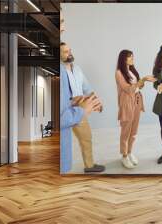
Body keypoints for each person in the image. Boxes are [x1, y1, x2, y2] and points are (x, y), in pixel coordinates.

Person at [60, 42, 105, 173]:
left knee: (86, 137)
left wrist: (97, 102)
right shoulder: (60, 72)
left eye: (69, 50)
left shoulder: (77, 69)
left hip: (80, 108)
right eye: (65, 51)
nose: (69, 53)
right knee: (63, 141)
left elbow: (87, 88)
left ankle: (89, 166)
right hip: (65, 108)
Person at [115, 50, 156, 169]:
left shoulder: (132, 71)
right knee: (126, 131)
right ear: (123, 59)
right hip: (127, 103)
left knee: (134, 131)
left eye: (132, 56)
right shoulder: (119, 73)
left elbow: (139, 87)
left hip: (137, 101)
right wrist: (142, 80)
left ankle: (129, 152)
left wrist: (144, 81)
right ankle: (124, 156)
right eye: (129, 57)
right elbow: (128, 89)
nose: (132, 59)